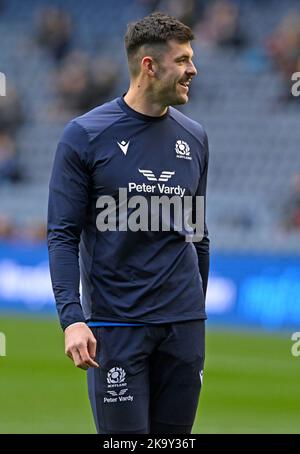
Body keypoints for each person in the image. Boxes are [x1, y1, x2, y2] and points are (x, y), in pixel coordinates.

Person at [47, 12, 209, 434]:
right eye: (183, 60)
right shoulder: (84, 135)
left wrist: (196, 311)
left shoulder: (194, 137)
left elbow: (199, 235)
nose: (193, 69)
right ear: (149, 66)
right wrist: (72, 318)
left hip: (183, 328)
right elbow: (62, 236)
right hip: (116, 328)